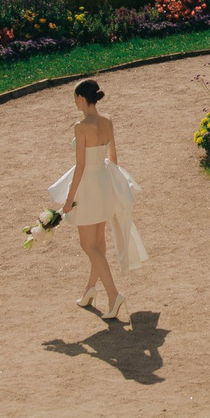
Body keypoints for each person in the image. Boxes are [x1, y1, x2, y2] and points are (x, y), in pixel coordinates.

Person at [55, 78, 147, 319]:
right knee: (97, 241)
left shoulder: (81, 126)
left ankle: (114, 295)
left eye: (75, 98)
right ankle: (90, 289)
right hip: (104, 182)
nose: (74, 102)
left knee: (88, 245)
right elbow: (113, 156)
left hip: (88, 186)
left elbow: (80, 166)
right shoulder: (107, 120)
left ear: (82, 99)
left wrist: (68, 199)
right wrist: (115, 185)